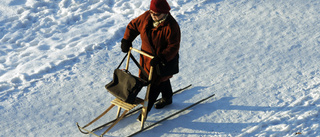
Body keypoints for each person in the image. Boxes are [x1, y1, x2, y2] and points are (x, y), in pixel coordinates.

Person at [120, 0, 181, 120]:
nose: (153, 15)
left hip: (162, 61)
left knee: (154, 85)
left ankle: (145, 112)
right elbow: (133, 26)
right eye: (151, 12)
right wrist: (126, 40)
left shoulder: (172, 26)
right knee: (160, 79)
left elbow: (173, 46)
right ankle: (168, 97)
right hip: (146, 60)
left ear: (165, 13)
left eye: (157, 14)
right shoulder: (146, 17)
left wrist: (162, 57)